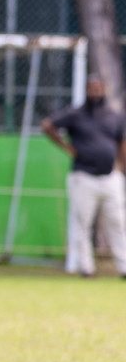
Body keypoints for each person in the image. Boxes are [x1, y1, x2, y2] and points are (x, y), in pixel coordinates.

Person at [40, 75, 126, 278]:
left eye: (99, 88)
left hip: (110, 177)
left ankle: (123, 267)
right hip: (84, 177)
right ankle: (86, 268)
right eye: (92, 88)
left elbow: (121, 141)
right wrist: (67, 148)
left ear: (104, 89)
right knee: (82, 223)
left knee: (118, 222)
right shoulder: (75, 114)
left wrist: (122, 166)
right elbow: (47, 125)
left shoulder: (114, 115)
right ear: (86, 90)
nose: (95, 91)